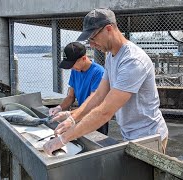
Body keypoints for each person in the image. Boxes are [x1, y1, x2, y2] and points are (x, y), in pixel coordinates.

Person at [43, 8, 168, 155]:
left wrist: (63, 139)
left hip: (149, 136)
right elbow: (98, 96)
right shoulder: (111, 57)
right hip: (130, 134)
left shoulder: (133, 61)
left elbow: (105, 112)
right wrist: (72, 118)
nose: (92, 44)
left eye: (93, 38)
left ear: (108, 29)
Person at [49, 42, 108, 135]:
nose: (71, 68)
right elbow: (71, 96)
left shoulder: (99, 72)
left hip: (96, 117)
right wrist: (59, 107)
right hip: (79, 114)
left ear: (84, 58)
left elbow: (94, 100)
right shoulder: (75, 71)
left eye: (72, 64)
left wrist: (70, 114)